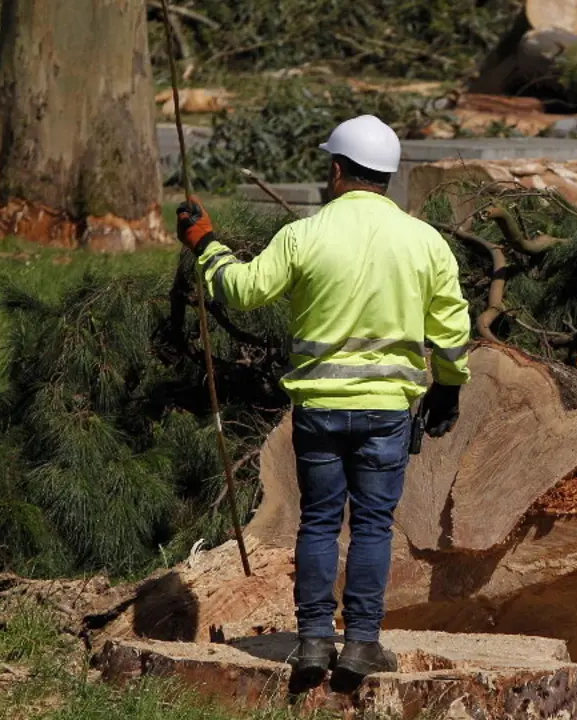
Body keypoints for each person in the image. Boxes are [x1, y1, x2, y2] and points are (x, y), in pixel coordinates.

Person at [173, 115, 472, 679]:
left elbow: (242, 289)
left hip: (319, 411)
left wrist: (205, 243)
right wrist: (448, 392)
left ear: (336, 170)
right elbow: (452, 334)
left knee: (317, 522)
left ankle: (312, 641)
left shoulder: (303, 235)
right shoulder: (424, 241)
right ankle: (360, 645)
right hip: (387, 413)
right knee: (374, 527)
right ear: (387, 175)